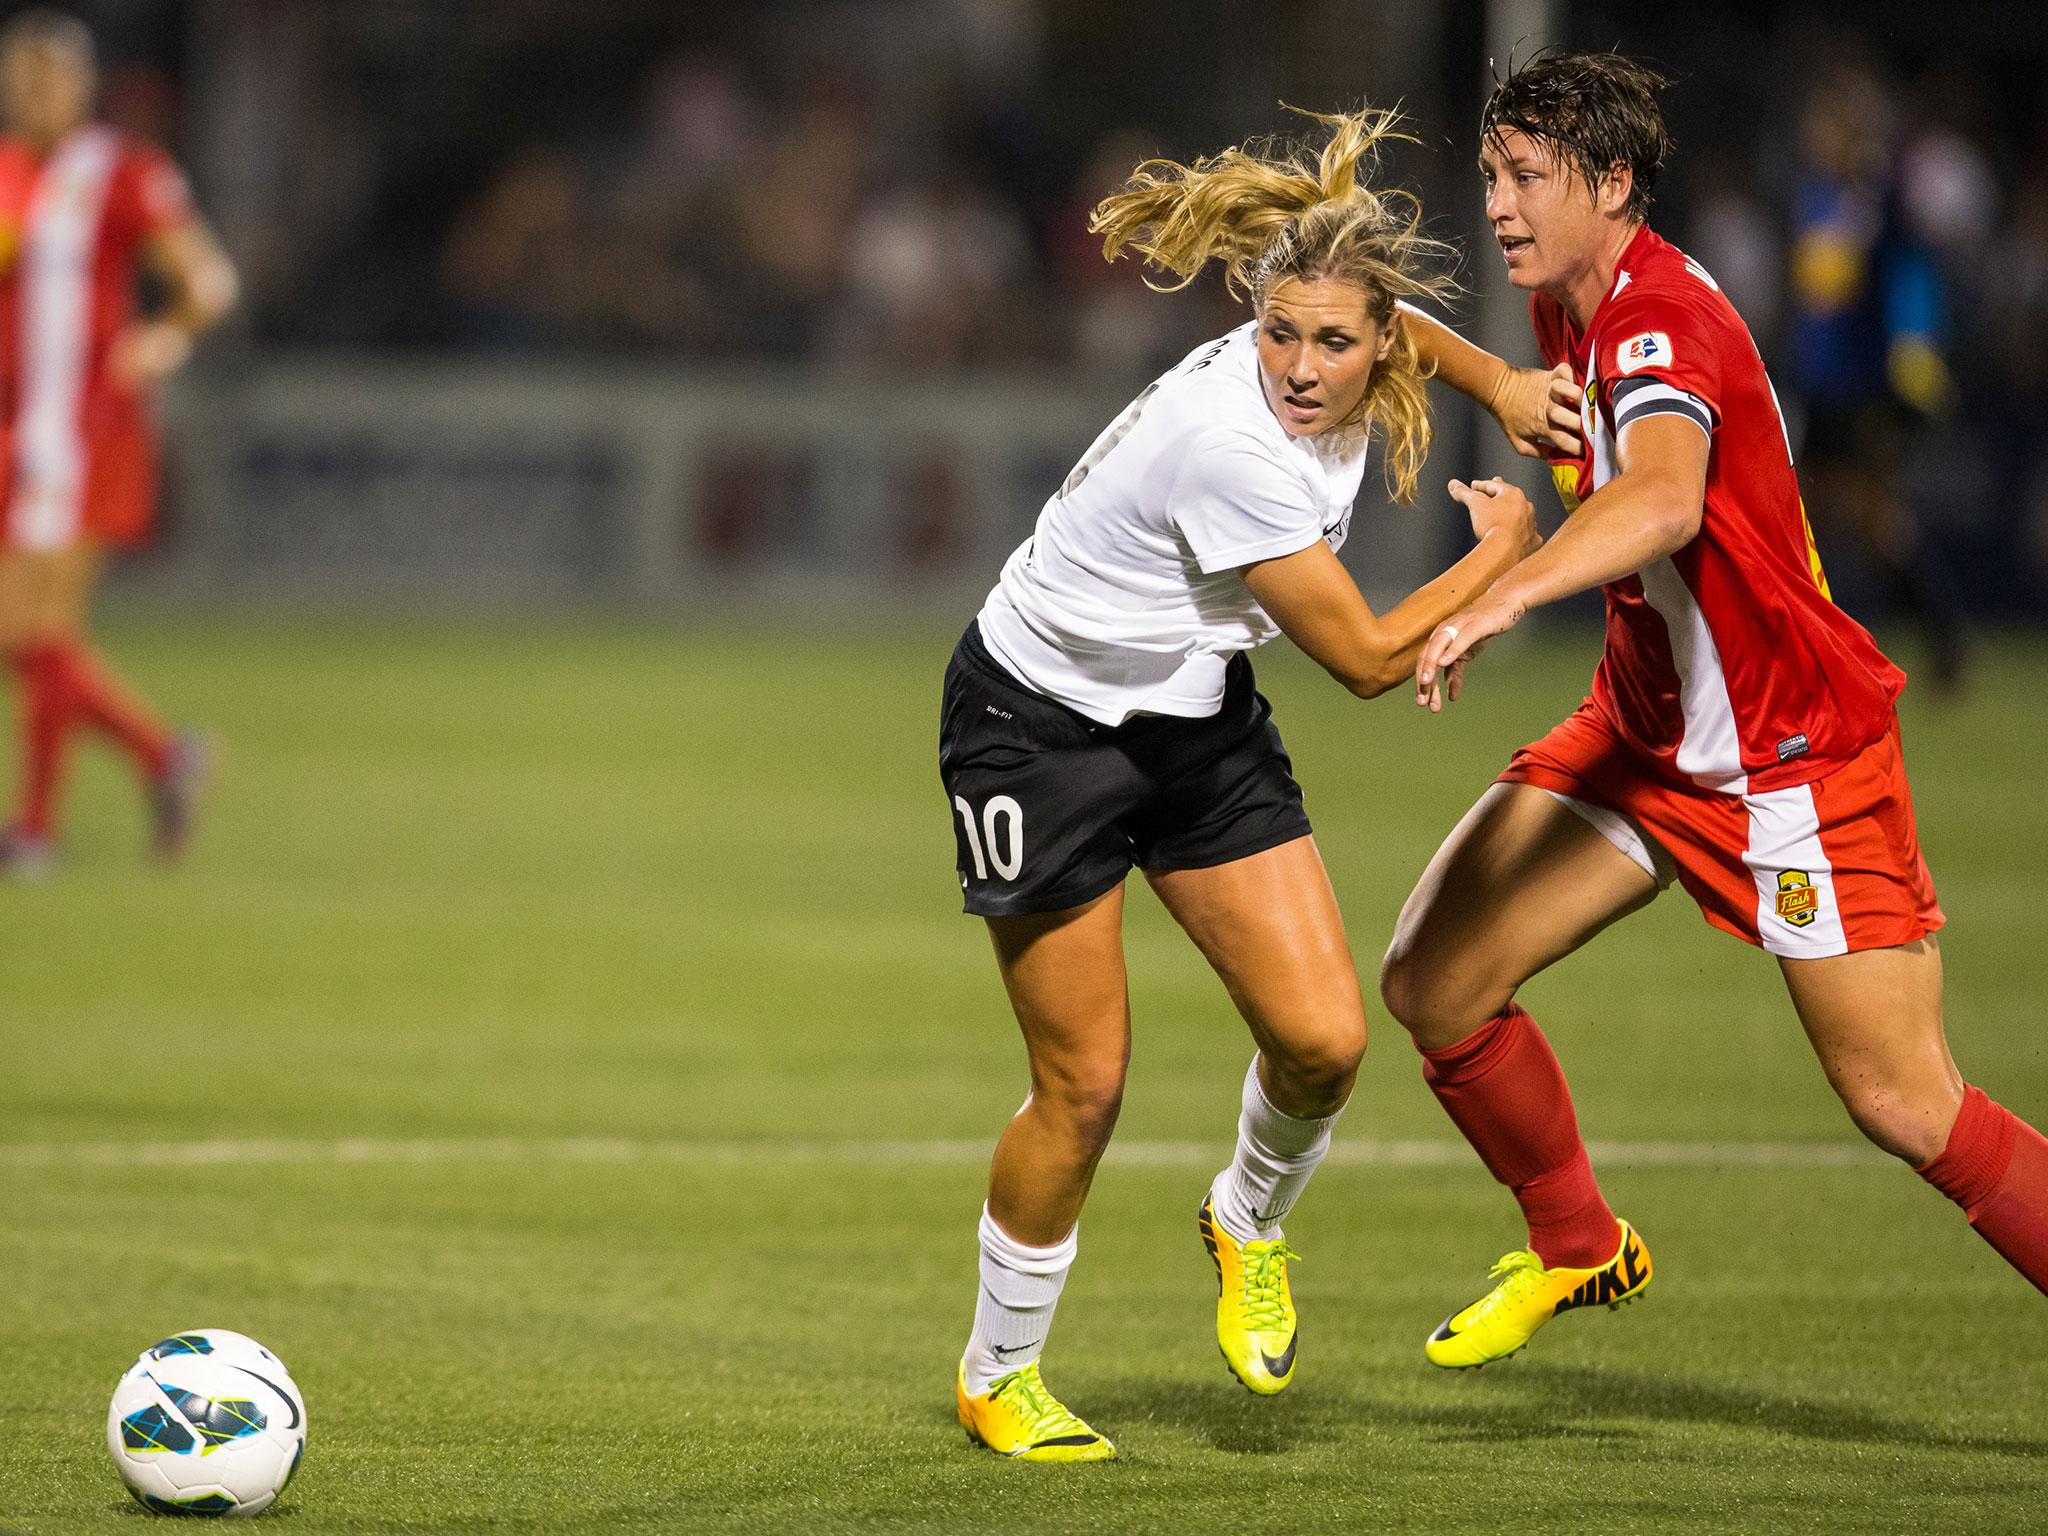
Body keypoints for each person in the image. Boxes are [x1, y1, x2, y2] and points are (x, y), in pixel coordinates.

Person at [1380, 50, 2048, 1372]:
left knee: (1907, 1102)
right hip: (1646, 736)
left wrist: (1507, 596)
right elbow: (1404, 334)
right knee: (1435, 980)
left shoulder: (1656, 320)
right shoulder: (1569, 309)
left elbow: (1666, 498)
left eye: (1529, 178)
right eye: (1492, 177)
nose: (1501, 206)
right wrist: (1485, 383)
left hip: (1788, 754)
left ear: (1614, 182)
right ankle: (1579, 1245)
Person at [940, 106, 1583, 1461]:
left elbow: (1419, 336)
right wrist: (1507, 557)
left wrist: (1507, 390)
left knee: (1325, 1042)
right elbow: (1357, 657)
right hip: (1037, 729)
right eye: (1279, 332)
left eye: (1333, 340)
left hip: (1190, 720)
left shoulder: (1370, 344)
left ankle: (1244, 1223)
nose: (1299, 364)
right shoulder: (1230, 444)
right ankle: (998, 1374)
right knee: (1086, 1085)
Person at [0, 8, 237, 879]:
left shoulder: (120, 171)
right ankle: (162, 758)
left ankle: (34, 833)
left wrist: (164, 336)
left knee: (28, 627)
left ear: (83, 83)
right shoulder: (2, 174)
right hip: (12, 432)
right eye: (20, 74)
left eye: (51, 74)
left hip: (82, 434)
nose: (34, 90)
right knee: (35, 636)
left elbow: (208, 280)